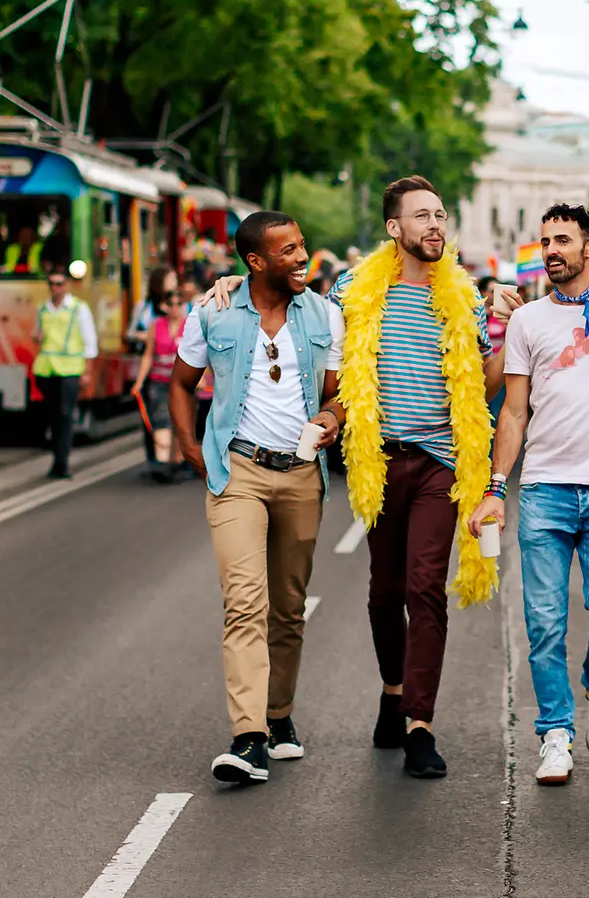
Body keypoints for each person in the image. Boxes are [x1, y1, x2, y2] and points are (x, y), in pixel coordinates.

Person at [328, 176, 513, 780]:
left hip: (438, 460)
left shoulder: (460, 296)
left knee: (424, 586)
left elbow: (481, 388)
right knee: (384, 593)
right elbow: (307, 326)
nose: (436, 225)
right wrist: (227, 287)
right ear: (394, 229)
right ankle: (391, 688)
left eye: (441, 215)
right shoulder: (353, 290)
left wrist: (508, 341)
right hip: (377, 459)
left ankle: (419, 724)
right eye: (422, 216)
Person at [469, 204, 589, 786]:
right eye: (545, 240)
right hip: (545, 489)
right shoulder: (528, 322)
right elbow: (515, 411)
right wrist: (497, 488)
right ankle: (554, 731)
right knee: (544, 622)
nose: (551, 249)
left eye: (563, 240)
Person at [171, 211, 345, 784]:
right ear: (256, 262)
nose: (302, 258)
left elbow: (337, 396)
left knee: (287, 608)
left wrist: (331, 417)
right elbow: (180, 381)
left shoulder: (325, 314)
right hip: (237, 472)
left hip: (300, 474)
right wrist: (191, 448)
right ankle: (248, 739)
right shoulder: (213, 311)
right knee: (244, 601)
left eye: (302, 246)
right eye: (289, 250)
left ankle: (279, 716)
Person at [33, 270, 97, 479]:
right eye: (51, 283)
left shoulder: (79, 308)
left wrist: (87, 371)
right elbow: (38, 334)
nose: (55, 287)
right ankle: (57, 461)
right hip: (46, 368)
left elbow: (89, 340)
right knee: (53, 416)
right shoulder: (43, 309)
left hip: (70, 367)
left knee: (65, 414)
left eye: (59, 283)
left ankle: (62, 462)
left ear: (66, 285)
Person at [130, 291, 189, 483]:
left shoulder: (191, 326)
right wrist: (139, 382)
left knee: (181, 423)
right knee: (162, 420)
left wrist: (203, 377)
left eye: (179, 303)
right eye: (170, 304)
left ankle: (178, 463)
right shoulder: (156, 326)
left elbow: (201, 354)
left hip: (183, 383)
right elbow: (148, 356)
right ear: (164, 306)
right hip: (159, 381)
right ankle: (162, 464)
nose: (174, 307)